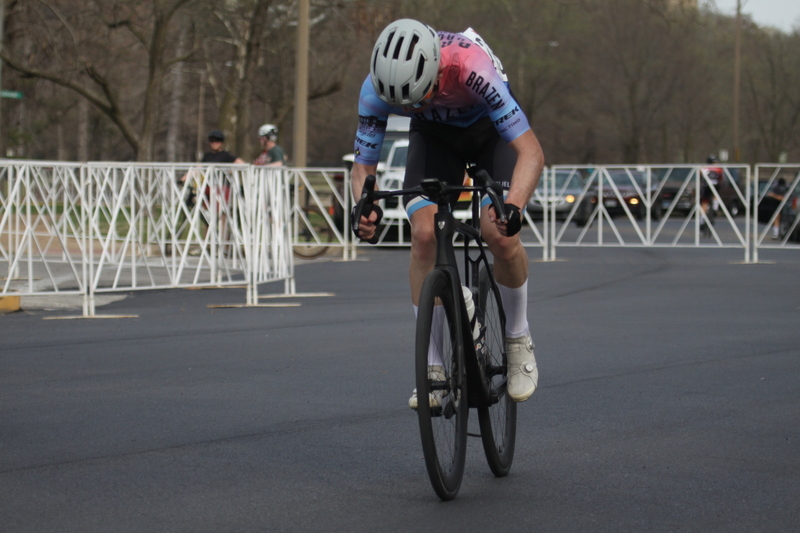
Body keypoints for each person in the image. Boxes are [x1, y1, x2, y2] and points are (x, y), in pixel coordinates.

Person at [350, 19, 544, 406]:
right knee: (423, 235)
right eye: (405, 106)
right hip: (435, 139)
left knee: (499, 235)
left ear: (437, 70)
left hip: (491, 133)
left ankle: (518, 337)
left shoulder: (471, 68)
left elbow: (531, 153)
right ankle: (434, 367)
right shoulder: (375, 89)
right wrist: (363, 209)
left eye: (419, 98)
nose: (414, 107)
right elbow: (363, 169)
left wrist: (514, 208)